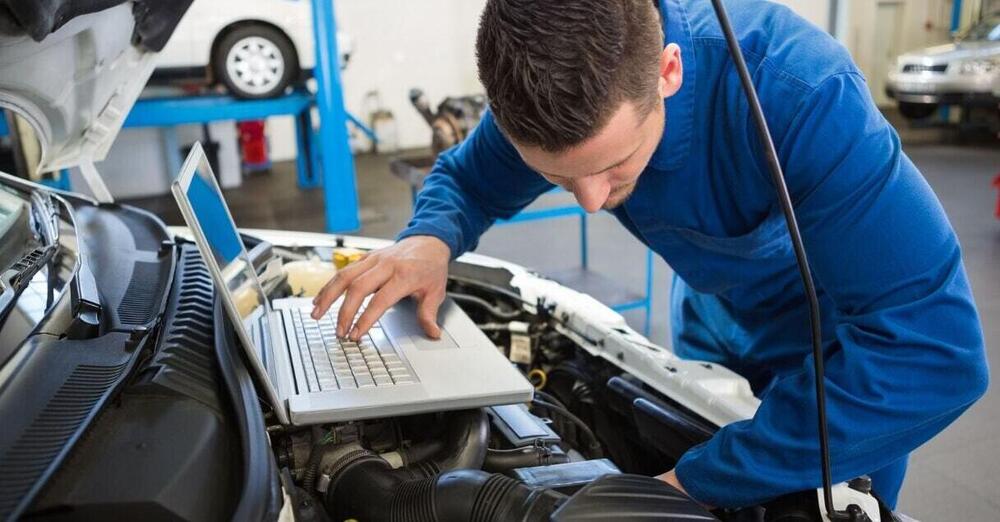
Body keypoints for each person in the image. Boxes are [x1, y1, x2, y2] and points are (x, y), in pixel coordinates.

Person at [311, 0, 988, 510]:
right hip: (710, 326)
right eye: (557, 177)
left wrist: (691, 482)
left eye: (616, 166)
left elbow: (933, 354)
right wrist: (430, 239)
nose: (592, 202)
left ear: (668, 71)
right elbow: (468, 178)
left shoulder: (801, 95)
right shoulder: (552, 90)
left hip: (841, 367)